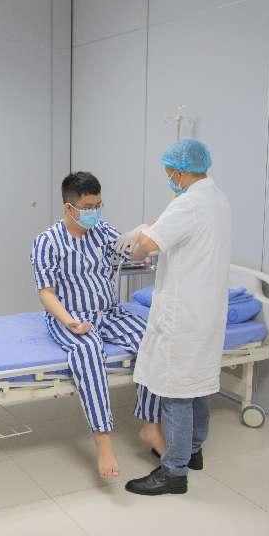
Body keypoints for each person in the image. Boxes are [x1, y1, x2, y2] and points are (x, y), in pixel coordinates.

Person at [115, 139, 232, 496]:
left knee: (176, 391)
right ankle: (193, 451)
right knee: (197, 386)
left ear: (180, 172)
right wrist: (155, 226)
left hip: (183, 313)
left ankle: (173, 471)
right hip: (207, 311)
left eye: (169, 173)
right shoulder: (218, 200)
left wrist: (139, 235)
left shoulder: (188, 204)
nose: (169, 179)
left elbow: (145, 249)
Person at [30, 172, 158, 479]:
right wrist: (70, 322)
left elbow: (129, 251)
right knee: (88, 351)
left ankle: (151, 425)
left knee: (152, 340)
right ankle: (102, 440)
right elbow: (46, 293)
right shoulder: (47, 242)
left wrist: (145, 235)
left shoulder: (102, 231)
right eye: (88, 207)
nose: (95, 212)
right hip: (70, 315)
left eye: (99, 205)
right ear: (69, 207)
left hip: (109, 312)